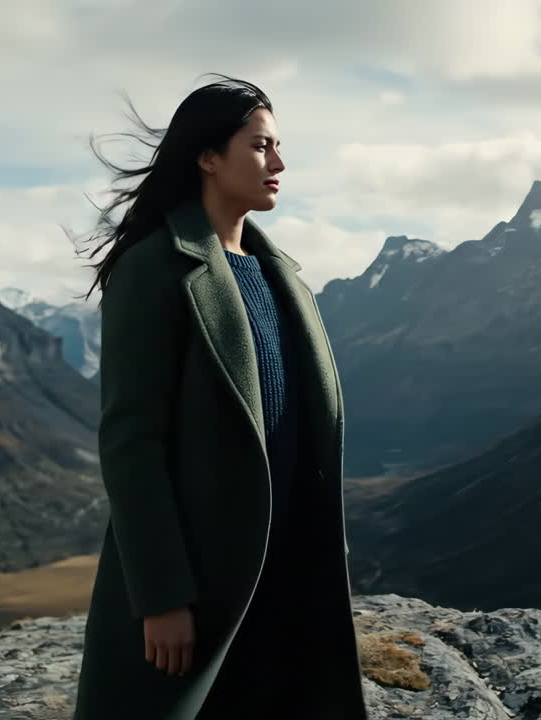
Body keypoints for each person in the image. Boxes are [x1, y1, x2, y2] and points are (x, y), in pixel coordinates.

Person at [70, 74, 368, 719]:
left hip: (286, 572)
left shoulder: (279, 274)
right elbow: (132, 442)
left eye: (279, 146)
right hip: (202, 581)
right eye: (261, 147)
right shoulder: (154, 269)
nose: (280, 163)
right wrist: (160, 596)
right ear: (207, 156)